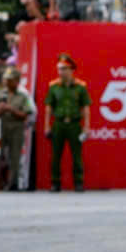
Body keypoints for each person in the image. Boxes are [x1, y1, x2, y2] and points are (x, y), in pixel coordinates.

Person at [44, 54, 89, 191]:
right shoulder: (53, 86)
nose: (61, 72)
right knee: (56, 155)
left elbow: (86, 108)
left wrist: (87, 127)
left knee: (77, 155)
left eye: (64, 69)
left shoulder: (81, 87)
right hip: (58, 124)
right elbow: (48, 108)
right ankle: (55, 182)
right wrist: (47, 126)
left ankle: (79, 182)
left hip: (75, 124)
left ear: (71, 70)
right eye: (59, 69)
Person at [0, 66, 33, 191]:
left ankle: (12, 183)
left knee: (15, 156)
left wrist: (10, 109)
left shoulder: (23, 96)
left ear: (17, 81)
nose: (7, 82)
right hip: (0, 128)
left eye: (11, 80)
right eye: (6, 79)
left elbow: (26, 114)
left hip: (16, 128)